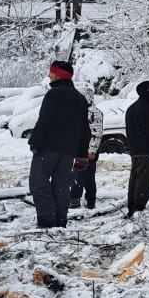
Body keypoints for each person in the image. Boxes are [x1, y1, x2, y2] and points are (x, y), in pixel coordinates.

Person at [28, 60, 91, 228]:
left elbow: (44, 121)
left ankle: (48, 222)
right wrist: (82, 155)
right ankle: (60, 222)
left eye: (51, 73)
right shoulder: (80, 98)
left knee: (38, 184)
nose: (49, 76)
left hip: (48, 148)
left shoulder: (53, 94)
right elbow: (85, 129)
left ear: (59, 75)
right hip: (69, 151)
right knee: (61, 188)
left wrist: (34, 142)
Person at [125, 80, 149, 218]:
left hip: (134, 150)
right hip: (147, 150)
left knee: (134, 179)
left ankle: (131, 206)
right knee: (144, 180)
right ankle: (138, 208)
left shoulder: (131, 108)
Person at [69, 83, 104, 209]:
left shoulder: (94, 113)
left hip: (88, 150)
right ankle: (90, 200)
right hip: (81, 149)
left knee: (79, 174)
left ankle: (75, 199)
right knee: (88, 176)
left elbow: (96, 133)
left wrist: (92, 150)